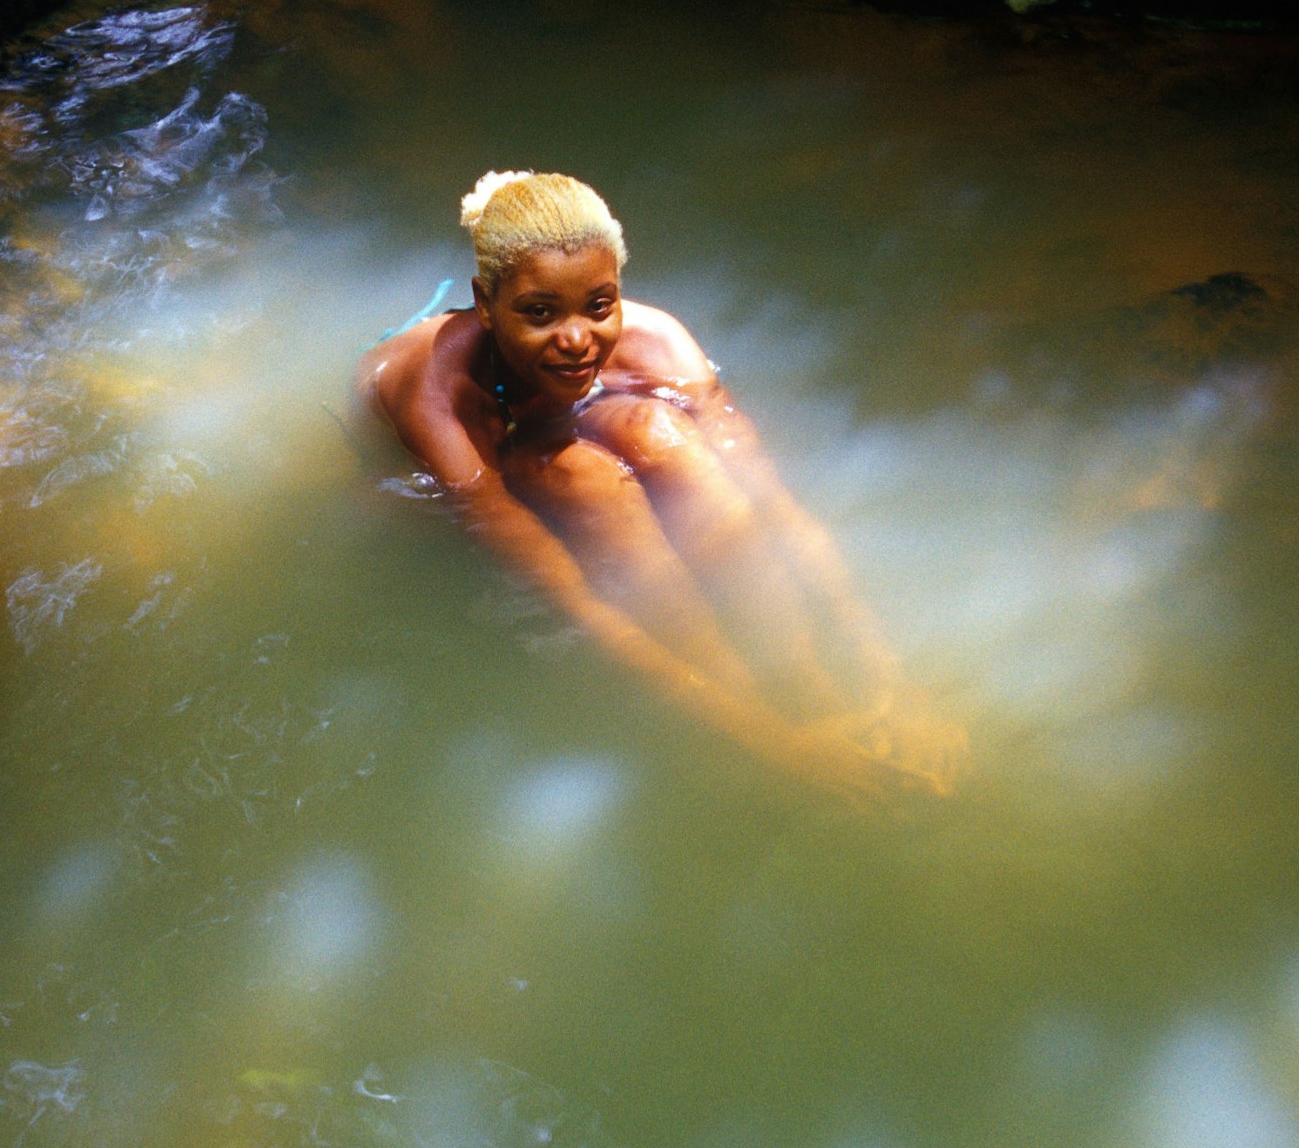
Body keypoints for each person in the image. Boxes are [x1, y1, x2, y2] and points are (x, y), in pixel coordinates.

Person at [356, 170, 964, 801]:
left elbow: (776, 514)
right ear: (485, 304)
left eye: (598, 306)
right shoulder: (440, 399)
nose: (575, 340)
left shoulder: (660, 345)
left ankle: (811, 689)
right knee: (583, 476)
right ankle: (751, 706)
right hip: (430, 470)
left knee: (660, 433)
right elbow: (576, 604)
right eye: (539, 313)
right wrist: (779, 751)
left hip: (544, 414)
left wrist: (890, 683)